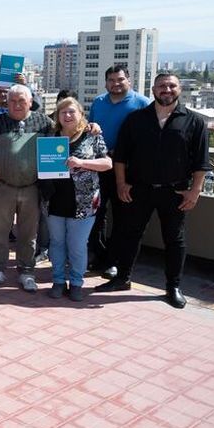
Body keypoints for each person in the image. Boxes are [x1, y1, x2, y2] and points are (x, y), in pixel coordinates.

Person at [98, 73, 210, 309]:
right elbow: (121, 157)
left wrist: (195, 191)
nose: (166, 90)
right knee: (130, 234)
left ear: (179, 89)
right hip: (139, 189)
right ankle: (122, 279)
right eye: (162, 86)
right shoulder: (136, 119)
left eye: (171, 86)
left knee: (175, 240)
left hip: (176, 192)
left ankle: (173, 287)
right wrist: (120, 183)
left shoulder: (194, 122)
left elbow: (201, 161)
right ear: (153, 90)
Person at [0, 84, 54, 292]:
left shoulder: (44, 122)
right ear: (6, 102)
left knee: (28, 234)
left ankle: (27, 272)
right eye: (13, 100)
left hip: (32, 188)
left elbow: (69, 134)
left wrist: (91, 127)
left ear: (30, 102)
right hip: (2, 187)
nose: (17, 104)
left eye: (22, 100)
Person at [87, 64, 151, 278]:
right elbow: (89, 130)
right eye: (111, 80)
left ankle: (113, 261)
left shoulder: (142, 103)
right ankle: (100, 256)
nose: (116, 84)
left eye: (120, 79)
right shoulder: (98, 102)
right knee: (95, 215)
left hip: (127, 170)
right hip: (99, 166)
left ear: (129, 80)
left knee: (122, 217)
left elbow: (147, 138)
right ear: (106, 82)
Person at [44, 98, 111, 301]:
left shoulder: (92, 135)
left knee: (77, 245)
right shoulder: (51, 136)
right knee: (56, 243)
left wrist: (82, 162)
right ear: (57, 116)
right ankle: (57, 280)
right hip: (54, 200)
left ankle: (75, 282)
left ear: (81, 114)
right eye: (62, 112)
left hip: (84, 202)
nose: (67, 116)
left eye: (72, 111)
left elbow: (107, 163)